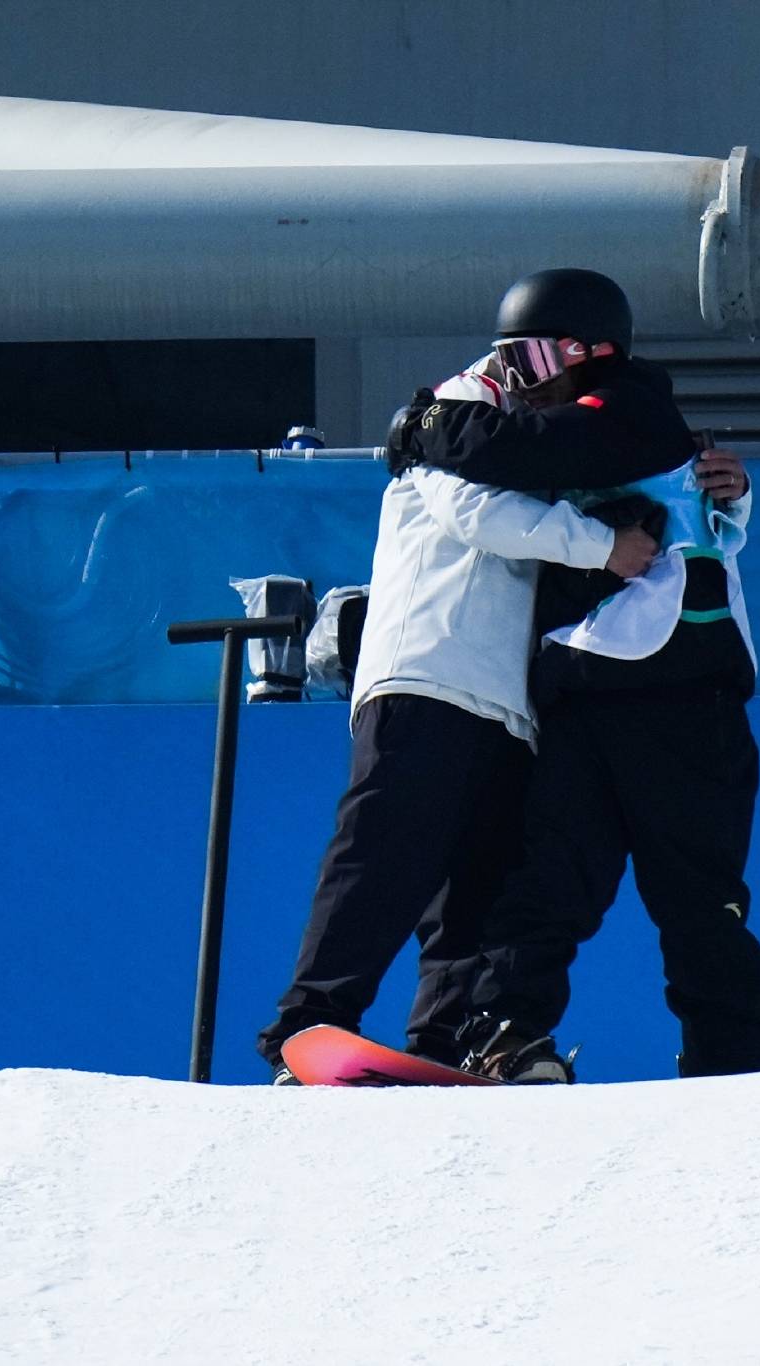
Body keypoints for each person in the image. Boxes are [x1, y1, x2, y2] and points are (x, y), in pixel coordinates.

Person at [390, 267, 760, 1083]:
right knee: (549, 879)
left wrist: (428, 424)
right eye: (504, 363)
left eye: (527, 360)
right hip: (586, 686)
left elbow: (525, 453)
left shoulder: (630, 404)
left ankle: (731, 1062)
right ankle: (507, 1037)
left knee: (695, 893)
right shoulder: (590, 415)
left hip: (678, 689)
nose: (516, 383)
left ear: (583, 351)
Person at [253, 354, 659, 1082]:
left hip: (505, 700)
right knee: (384, 854)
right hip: (427, 670)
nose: (549, 379)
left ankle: (445, 1041)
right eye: (533, 358)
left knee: (477, 888)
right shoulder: (456, 420)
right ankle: (311, 1023)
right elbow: (474, 513)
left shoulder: (542, 448)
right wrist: (603, 546)